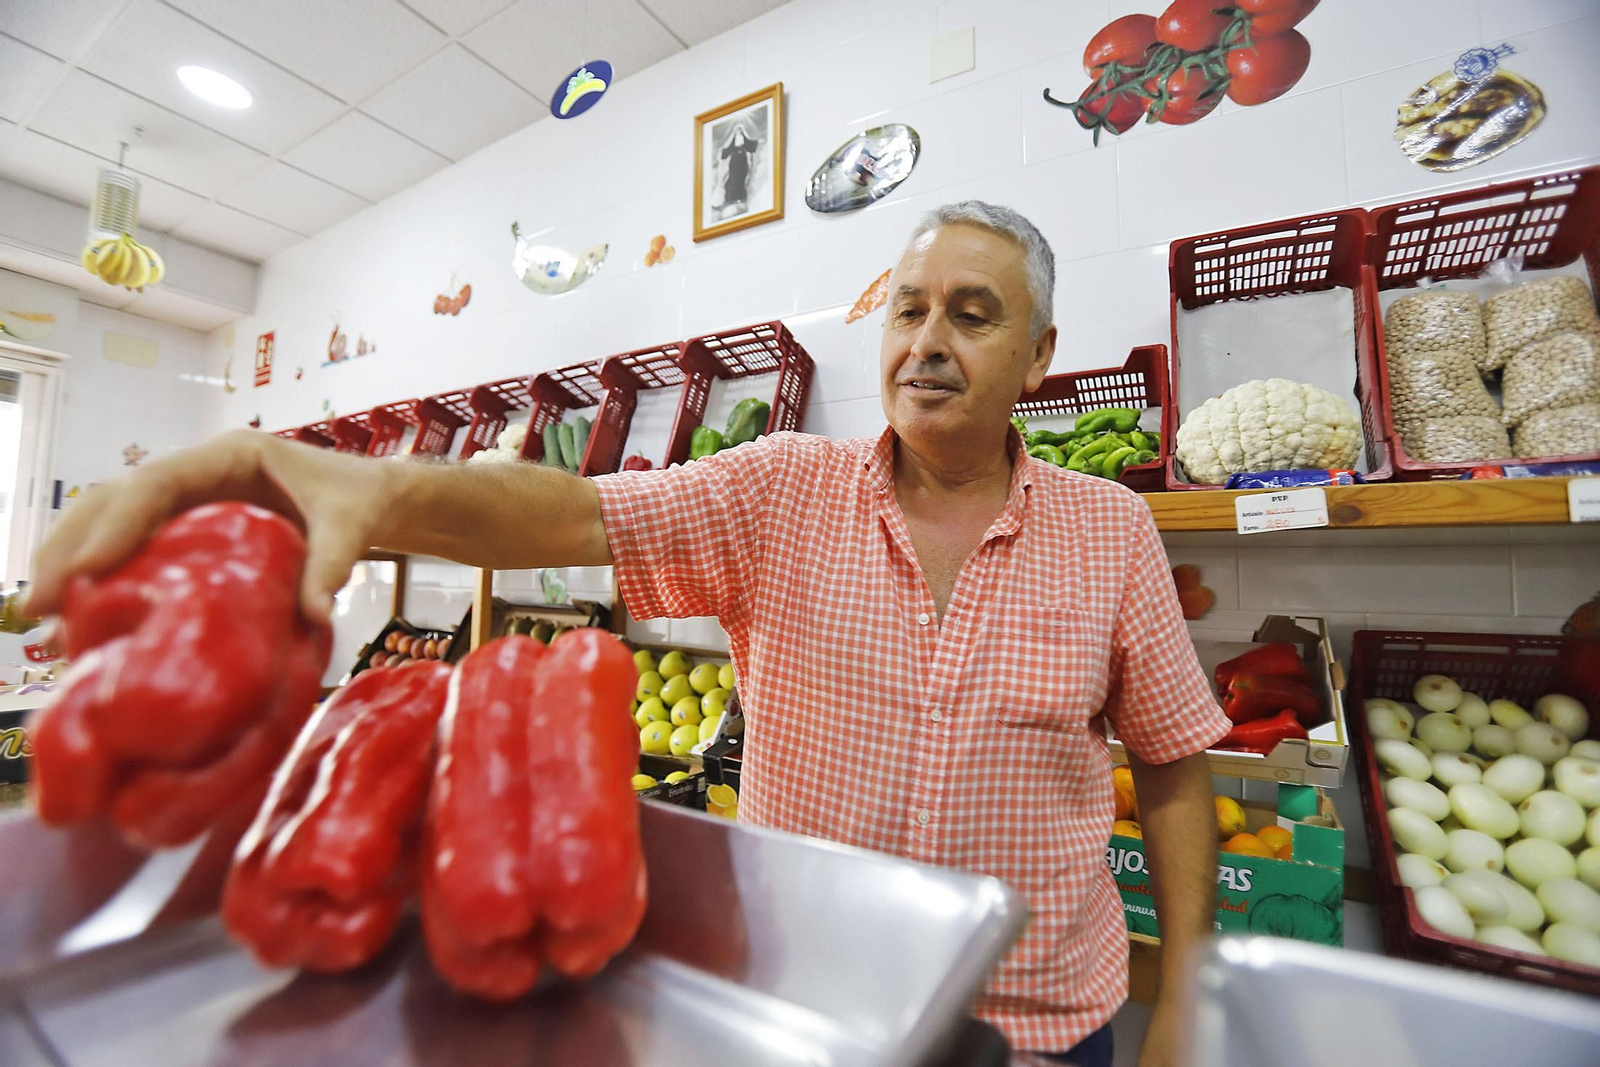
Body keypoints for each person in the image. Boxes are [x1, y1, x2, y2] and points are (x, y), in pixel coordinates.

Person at [26, 201, 1228, 1067]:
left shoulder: (1111, 527)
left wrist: (1184, 994)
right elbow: (569, 505)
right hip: (804, 999)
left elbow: (1172, 757)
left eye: (972, 315)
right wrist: (369, 487)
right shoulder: (781, 490)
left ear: (1038, 356)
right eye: (908, 308)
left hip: (1042, 1016)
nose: (927, 340)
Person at [716, 124, 759, 218]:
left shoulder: (745, 149)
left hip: (742, 167)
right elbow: (724, 153)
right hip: (733, 167)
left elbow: (752, 147)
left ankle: (740, 199)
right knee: (730, 182)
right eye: (737, 134)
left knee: (740, 182)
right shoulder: (732, 148)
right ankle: (729, 200)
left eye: (740, 134)